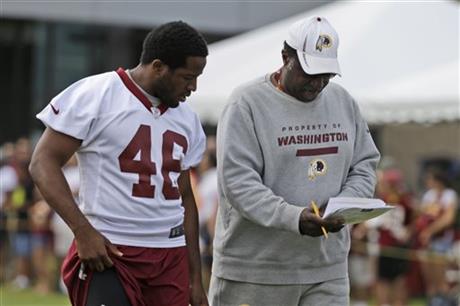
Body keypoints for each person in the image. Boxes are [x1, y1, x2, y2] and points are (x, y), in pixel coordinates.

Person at [29, 21, 209, 306]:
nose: (193, 87)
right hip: (111, 248)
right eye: (188, 77)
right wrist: (83, 231)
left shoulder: (187, 119)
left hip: (169, 252)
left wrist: (194, 279)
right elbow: (42, 163)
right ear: (159, 66)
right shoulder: (96, 94)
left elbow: (185, 197)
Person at [210, 16, 380, 306]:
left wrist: (345, 205)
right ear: (285, 57)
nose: (318, 83)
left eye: (326, 74)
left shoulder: (343, 102)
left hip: (327, 269)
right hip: (256, 272)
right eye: (309, 72)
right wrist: (294, 218)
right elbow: (238, 183)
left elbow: (364, 165)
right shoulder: (246, 104)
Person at [415, 168, 458, 306]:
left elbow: (448, 218)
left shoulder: (449, 195)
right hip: (427, 242)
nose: (427, 182)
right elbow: (423, 215)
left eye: (430, 179)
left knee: (441, 277)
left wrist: (430, 231)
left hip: (442, 241)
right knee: (429, 278)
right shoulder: (429, 195)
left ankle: (444, 301)